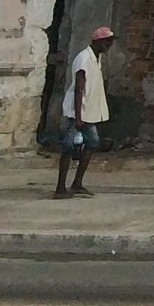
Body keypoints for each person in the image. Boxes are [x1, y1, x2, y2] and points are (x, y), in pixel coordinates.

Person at [53, 25, 114, 199]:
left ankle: (77, 183)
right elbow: (79, 89)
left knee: (92, 142)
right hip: (78, 112)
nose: (109, 46)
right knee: (68, 147)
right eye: (107, 42)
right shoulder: (84, 59)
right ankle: (60, 188)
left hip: (88, 111)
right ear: (99, 42)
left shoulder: (96, 58)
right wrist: (78, 117)